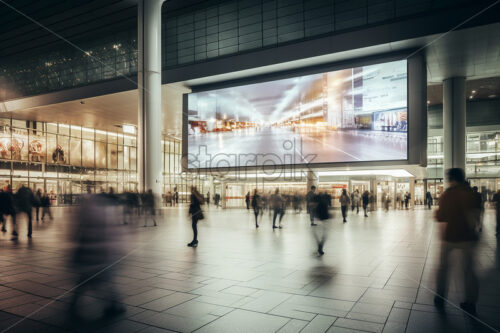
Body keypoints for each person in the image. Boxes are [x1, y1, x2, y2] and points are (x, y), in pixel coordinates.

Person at [434, 168, 479, 316]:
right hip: (468, 237)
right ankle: (470, 303)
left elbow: (440, 216)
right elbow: (476, 215)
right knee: (469, 271)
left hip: (450, 237)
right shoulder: (471, 193)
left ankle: (440, 297)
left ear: (451, 179)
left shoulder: (448, 195)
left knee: (443, 268)